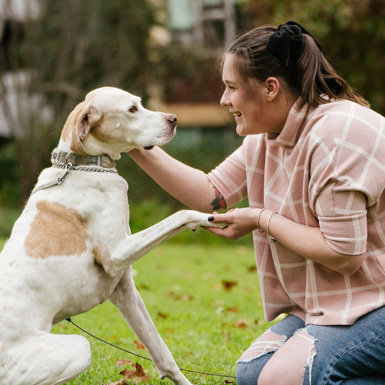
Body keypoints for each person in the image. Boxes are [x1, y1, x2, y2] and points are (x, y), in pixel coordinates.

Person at [129, 21, 385, 384]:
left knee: (279, 378)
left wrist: (261, 218)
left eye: (232, 87)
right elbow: (212, 194)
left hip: (377, 302)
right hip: (340, 301)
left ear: (270, 88)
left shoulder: (337, 136)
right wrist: (133, 142)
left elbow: (344, 253)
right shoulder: (269, 136)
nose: (224, 99)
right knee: (253, 373)